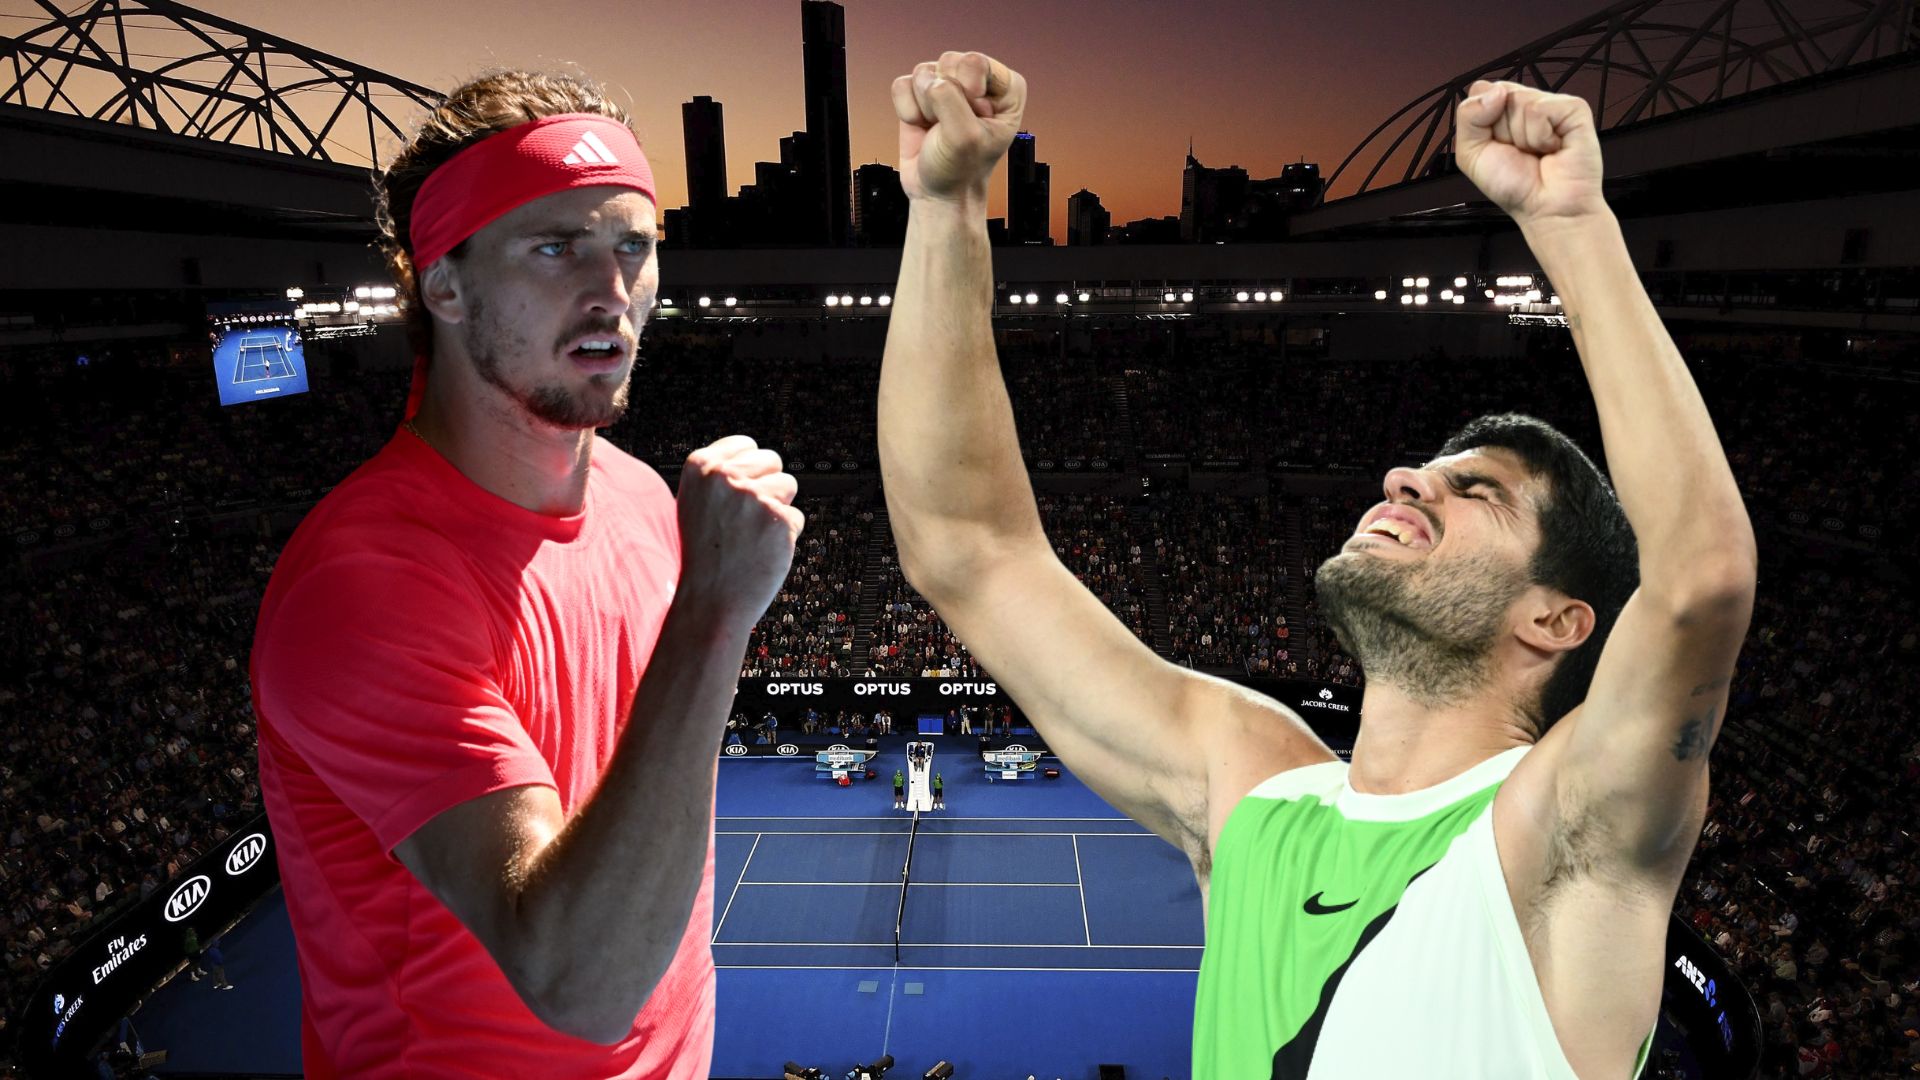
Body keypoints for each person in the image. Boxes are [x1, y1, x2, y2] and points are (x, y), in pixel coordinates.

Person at [878, 52, 1754, 1077]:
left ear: (1557, 621)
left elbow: (1700, 586)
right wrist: (944, 207)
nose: (1405, 480)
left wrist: (1573, 231)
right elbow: (967, 548)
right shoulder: (1259, 793)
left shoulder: (1567, 830)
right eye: (1426, 468)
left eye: (1479, 493)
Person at [250, 70, 801, 1078]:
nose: (610, 290)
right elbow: (580, 987)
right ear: (444, 285)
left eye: (632, 247)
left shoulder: (645, 501)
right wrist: (715, 616)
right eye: (555, 247)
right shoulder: (364, 585)